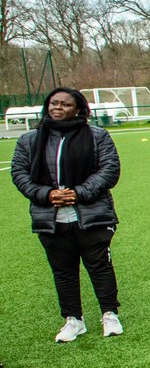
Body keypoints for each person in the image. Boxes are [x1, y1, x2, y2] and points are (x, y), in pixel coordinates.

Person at [11, 88, 123, 342]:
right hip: (50, 219)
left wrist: (79, 193)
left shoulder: (97, 137)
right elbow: (19, 174)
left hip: (92, 216)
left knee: (100, 266)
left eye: (64, 104)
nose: (57, 108)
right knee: (63, 271)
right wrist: (46, 195)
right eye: (53, 103)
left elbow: (109, 170)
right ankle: (73, 320)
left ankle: (110, 313)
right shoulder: (30, 140)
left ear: (79, 110)